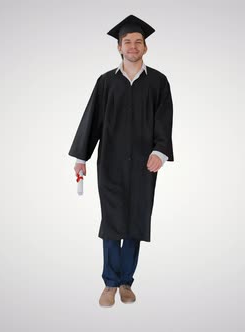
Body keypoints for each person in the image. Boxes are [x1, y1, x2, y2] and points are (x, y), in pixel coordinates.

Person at [68, 14, 174, 308]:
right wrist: (81, 157)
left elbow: (164, 121)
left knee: (136, 220)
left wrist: (160, 152)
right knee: (113, 221)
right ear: (118, 47)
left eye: (138, 42)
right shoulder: (106, 82)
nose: (132, 46)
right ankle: (109, 283)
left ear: (145, 48)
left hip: (144, 164)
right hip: (111, 163)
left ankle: (127, 281)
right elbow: (92, 120)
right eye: (127, 41)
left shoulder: (158, 82)